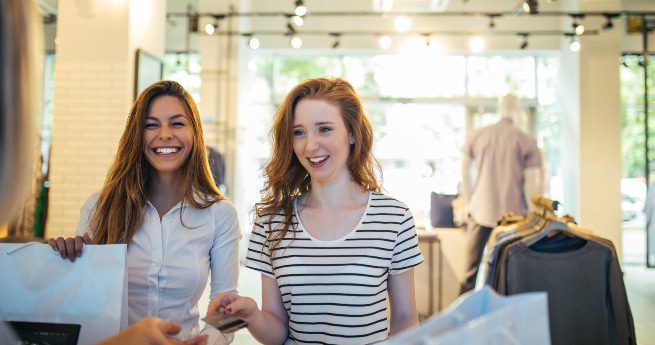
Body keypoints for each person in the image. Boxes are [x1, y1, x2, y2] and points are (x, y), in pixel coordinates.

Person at [206, 78, 423, 344]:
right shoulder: (271, 221)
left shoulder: (394, 218)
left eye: (324, 129)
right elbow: (276, 332)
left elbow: (405, 319)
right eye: (299, 132)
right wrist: (251, 315)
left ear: (352, 133)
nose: (310, 146)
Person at [47, 81, 241, 344]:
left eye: (177, 123)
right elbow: (81, 301)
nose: (165, 134)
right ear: (137, 135)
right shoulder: (100, 207)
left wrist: (205, 341)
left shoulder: (220, 214)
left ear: (194, 133)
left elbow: (228, 306)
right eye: (151, 125)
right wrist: (65, 264)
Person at [459, 93, 544, 294]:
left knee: (469, 272)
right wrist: (533, 214)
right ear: (518, 110)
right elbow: (530, 184)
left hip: (481, 211)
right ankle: (504, 319)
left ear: (499, 108)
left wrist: (468, 203)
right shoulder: (526, 140)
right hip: (513, 216)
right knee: (509, 271)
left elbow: (465, 173)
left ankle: (461, 321)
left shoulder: (478, 135)